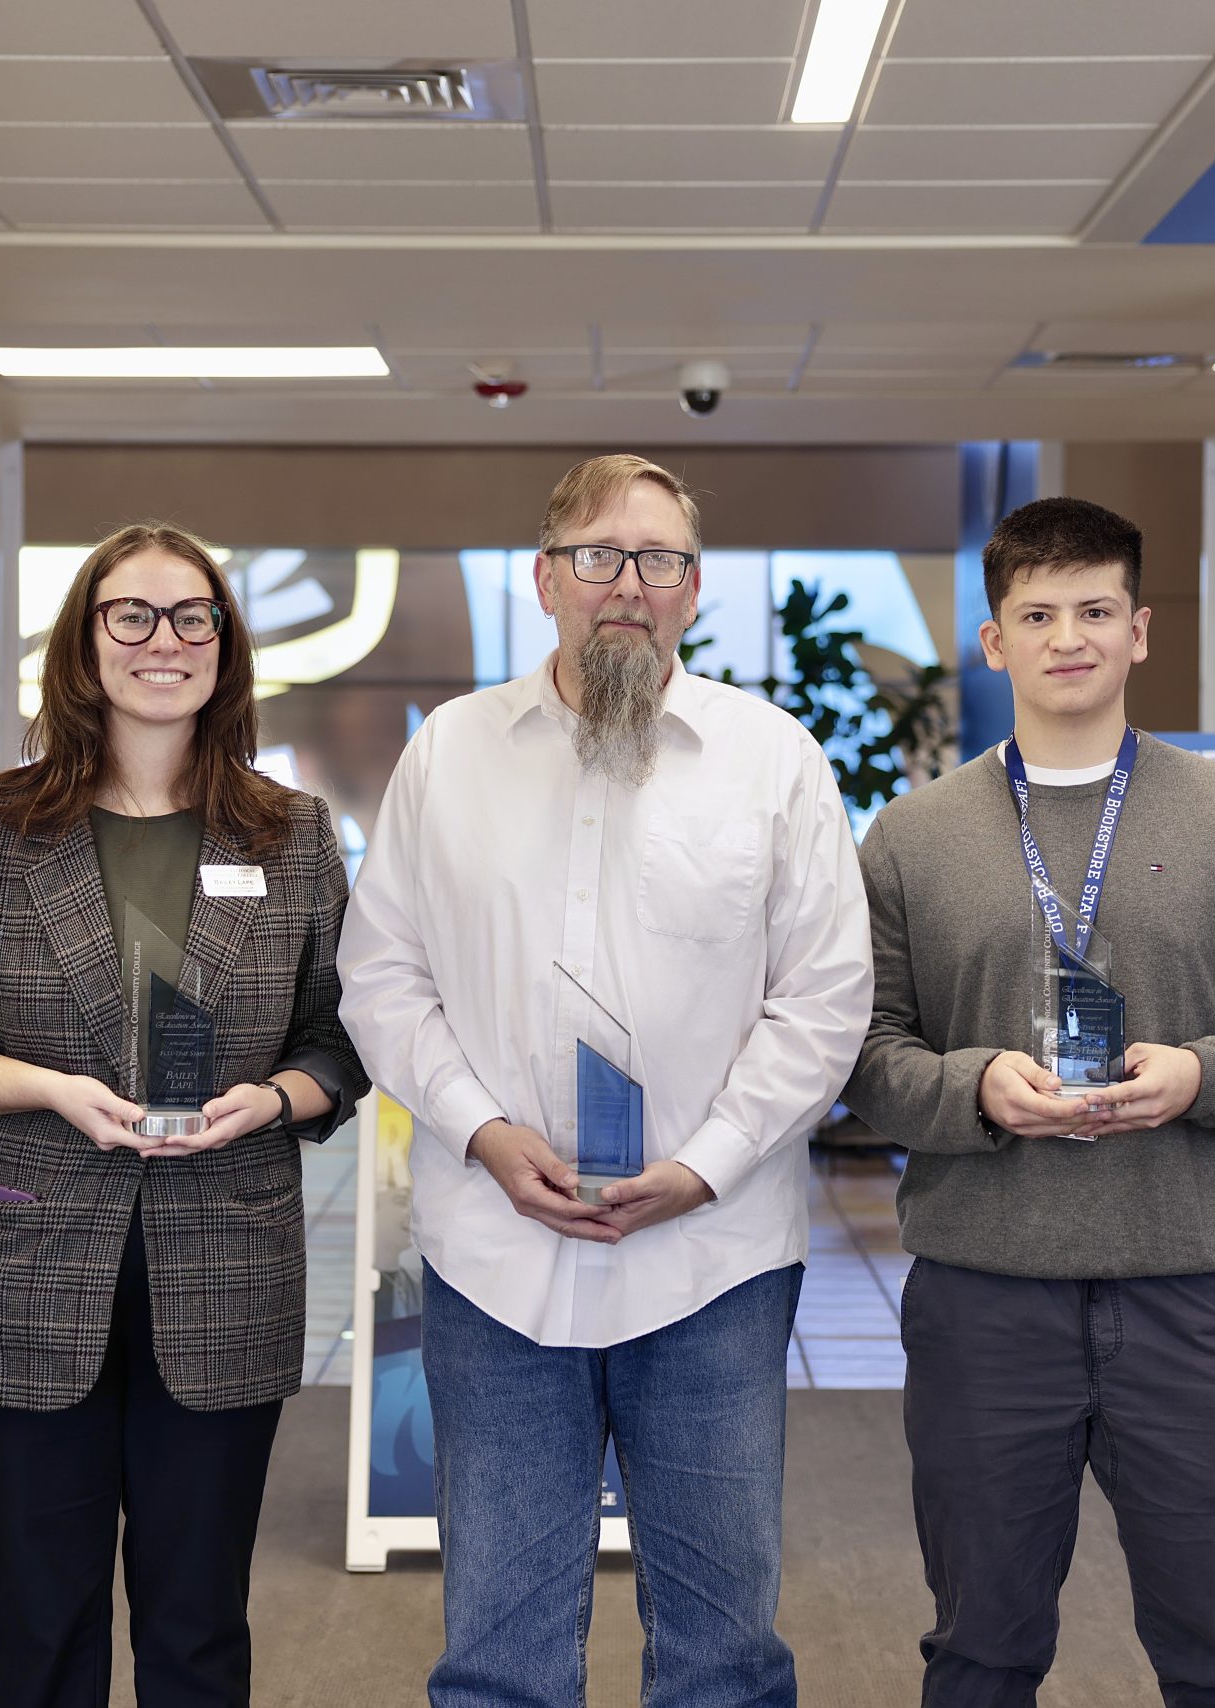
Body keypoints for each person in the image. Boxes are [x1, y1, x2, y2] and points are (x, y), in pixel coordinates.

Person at [338, 453, 872, 1708]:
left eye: (660, 559)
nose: (627, 583)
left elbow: (825, 995)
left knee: (723, 1656)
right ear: (545, 580)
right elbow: (383, 975)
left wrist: (706, 1164)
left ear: (693, 590)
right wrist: (477, 1132)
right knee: (498, 1656)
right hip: (496, 1261)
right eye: (598, 555)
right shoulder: (448, 754)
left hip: (714, 1265)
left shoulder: (773, 760)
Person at [842, 496, 1215, 1708]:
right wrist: (973, 1087)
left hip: (1195, 1298)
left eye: (1092, 610)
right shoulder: (911, 838)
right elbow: (861, 1050)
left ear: (1139, 630)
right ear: (993, 640)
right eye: (1036, 613)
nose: (1065, 636)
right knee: (978, 1650)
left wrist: (1205, 1074)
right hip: (983, 1302)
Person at [0, 521, 366, 1708]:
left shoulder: (291, 836)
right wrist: (47, 1088)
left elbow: (346, 1035)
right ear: (84, 645)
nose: (164, 640)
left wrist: (274, 1099)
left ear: (225, 647)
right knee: (39, 1625)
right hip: (25, 1261)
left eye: (193, 615)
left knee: (198, 1630)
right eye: (130, 615)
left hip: (226, 1256)